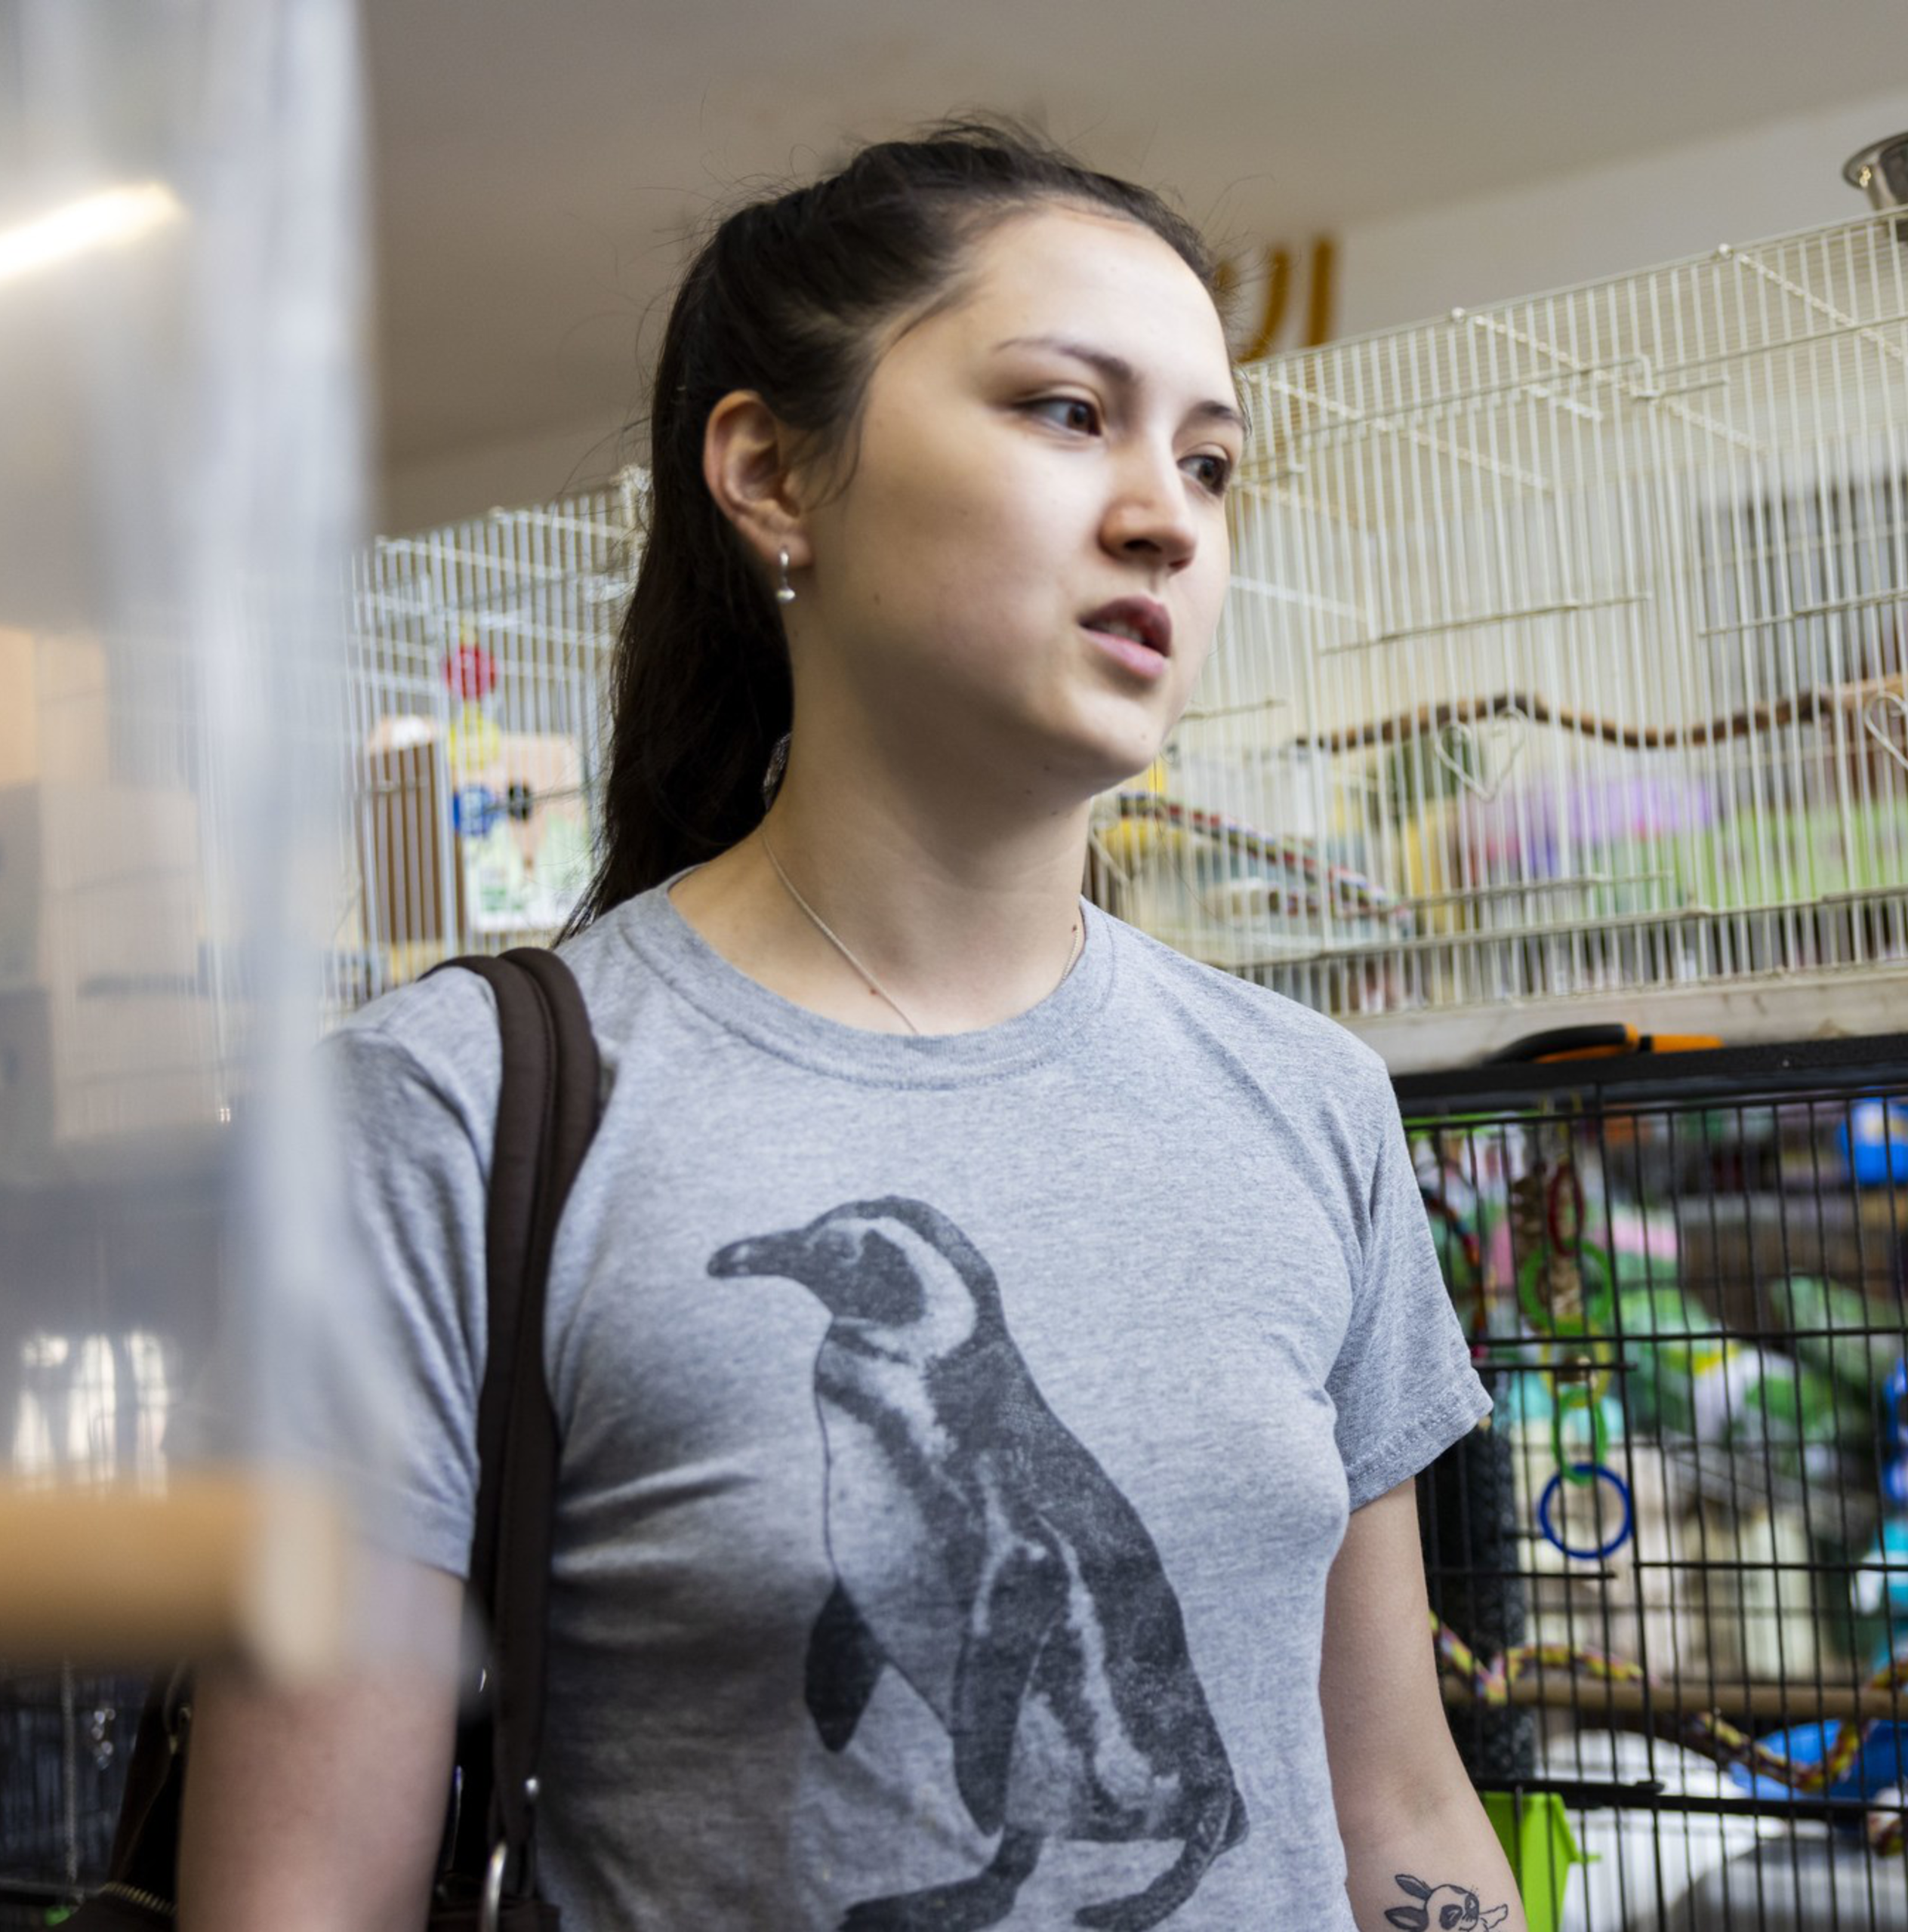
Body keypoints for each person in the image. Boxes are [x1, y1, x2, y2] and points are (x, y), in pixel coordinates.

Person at [179, 122, 1521, 1932]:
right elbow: (293, 1898)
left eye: (1210, 461)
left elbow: (1395, 1794)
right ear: (773, 473)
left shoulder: (1307, 1100)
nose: (1166, 514)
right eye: (1066, 411)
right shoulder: (449, 1120)